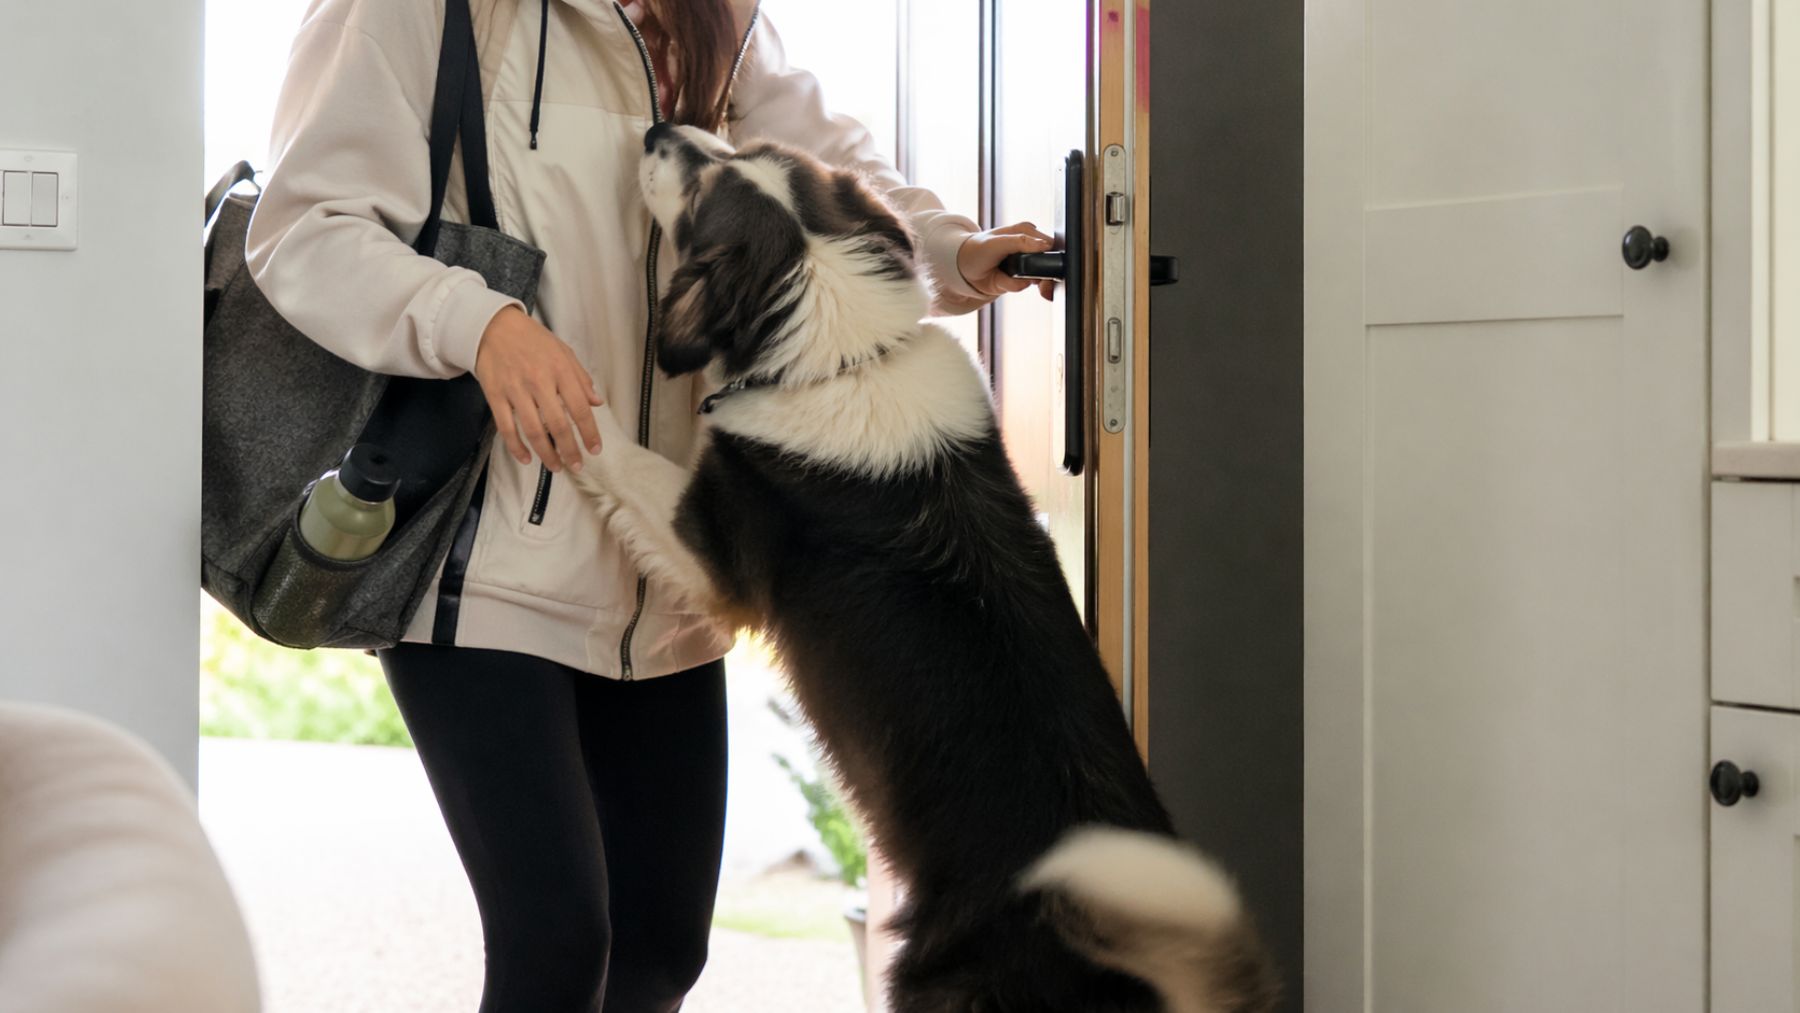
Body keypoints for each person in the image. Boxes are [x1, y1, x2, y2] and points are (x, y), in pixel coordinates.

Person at [246, 0, 1049, 1009]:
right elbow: (305, 226)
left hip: (662, 574)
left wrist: (956, 248)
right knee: (556, 942)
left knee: (661, 949)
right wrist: (478, 321)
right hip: (485, 553)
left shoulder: (717, 19)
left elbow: (830, 175)